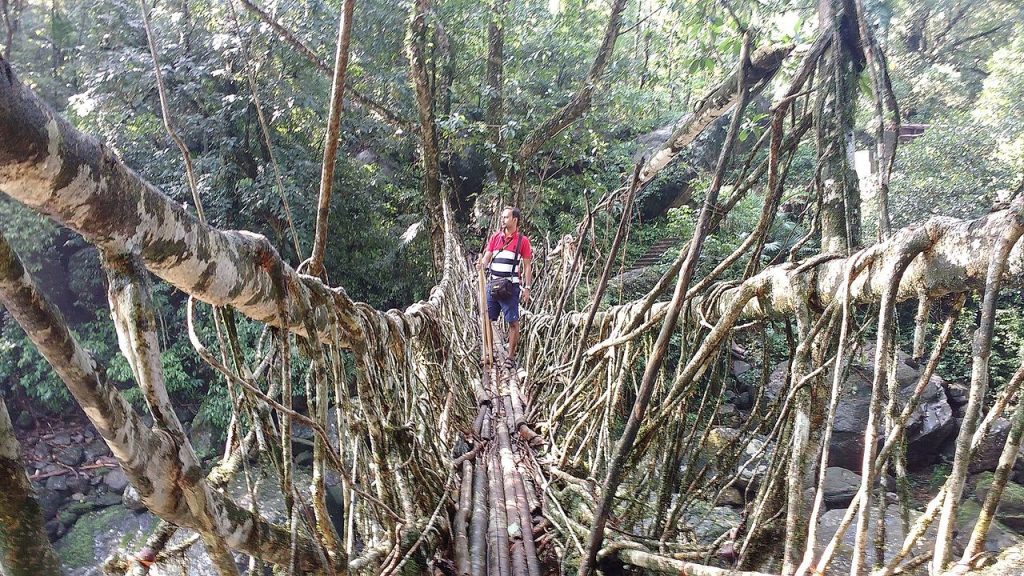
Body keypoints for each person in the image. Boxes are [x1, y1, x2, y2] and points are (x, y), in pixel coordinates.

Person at [479, 206, 533, 366]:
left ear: (514, 220)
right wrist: (481, 264)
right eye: (502, 217)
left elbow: (527, 266)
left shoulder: (523, 241)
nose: (502, 220)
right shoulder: (496, 237)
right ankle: (489, 353)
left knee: (513, 322)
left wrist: (527, 288)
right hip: (493, 285)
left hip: (511, 287)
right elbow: (487, 256)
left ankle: (510, 357)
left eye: (505, 217)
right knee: (487, 318)